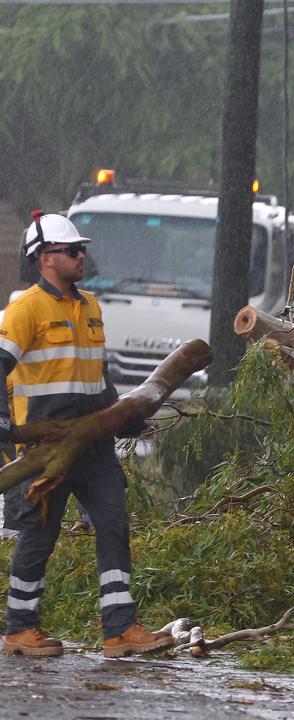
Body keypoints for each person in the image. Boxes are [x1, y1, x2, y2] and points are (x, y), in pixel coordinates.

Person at [0, 212, 173, 658]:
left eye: (82, 249)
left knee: (113, 524)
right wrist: (3, 425)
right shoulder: (25, 310)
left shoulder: (91, 305)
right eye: (73, 250)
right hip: (45, 450)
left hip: (94, 445)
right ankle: (20, 629)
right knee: (39, 536)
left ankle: (119, 629)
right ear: (45, 259)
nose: (83, 256)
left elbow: (99, 378)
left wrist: (124, 417)